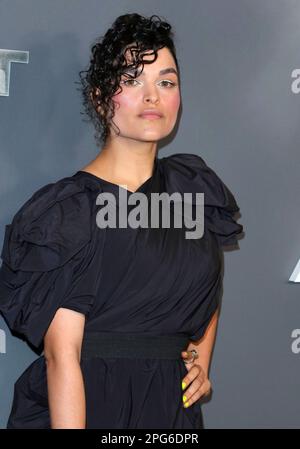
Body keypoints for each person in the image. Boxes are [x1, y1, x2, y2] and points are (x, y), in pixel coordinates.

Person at [0, 13, 243, 429]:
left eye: (165, 82)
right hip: (91, 406)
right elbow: (62, 358)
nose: (153, 97)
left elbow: (205, 280)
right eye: (132, 81)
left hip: (171, 412)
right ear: (100, 97)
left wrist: (200, 358)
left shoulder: (193, 190)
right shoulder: (68, 213)